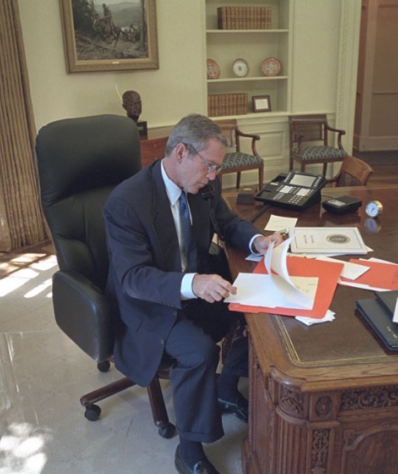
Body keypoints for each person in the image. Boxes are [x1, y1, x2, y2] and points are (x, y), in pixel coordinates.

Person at [103, 114, 282, 474]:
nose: (214, 176)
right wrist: (193, 283)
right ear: (181, 152)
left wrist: (256, 240)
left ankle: (226, 388)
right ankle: (189, 449)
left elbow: (228, 223)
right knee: (198, 352)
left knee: (258, 311)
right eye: (210, 166)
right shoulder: (126, 202)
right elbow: (134, 278)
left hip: (195, 287)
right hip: (150, 303)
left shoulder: (201, 187)